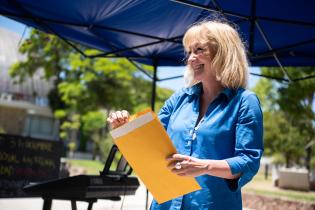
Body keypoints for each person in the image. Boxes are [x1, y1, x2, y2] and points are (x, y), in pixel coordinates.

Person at [107, 20, 263, 210]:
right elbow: (150, 142)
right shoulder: (178, 99)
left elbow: (248, 162)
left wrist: (204, 166)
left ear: (223, 52)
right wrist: (125, 128)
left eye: (199, 50)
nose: (190, 59)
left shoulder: (245, 102)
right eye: (189, 52)